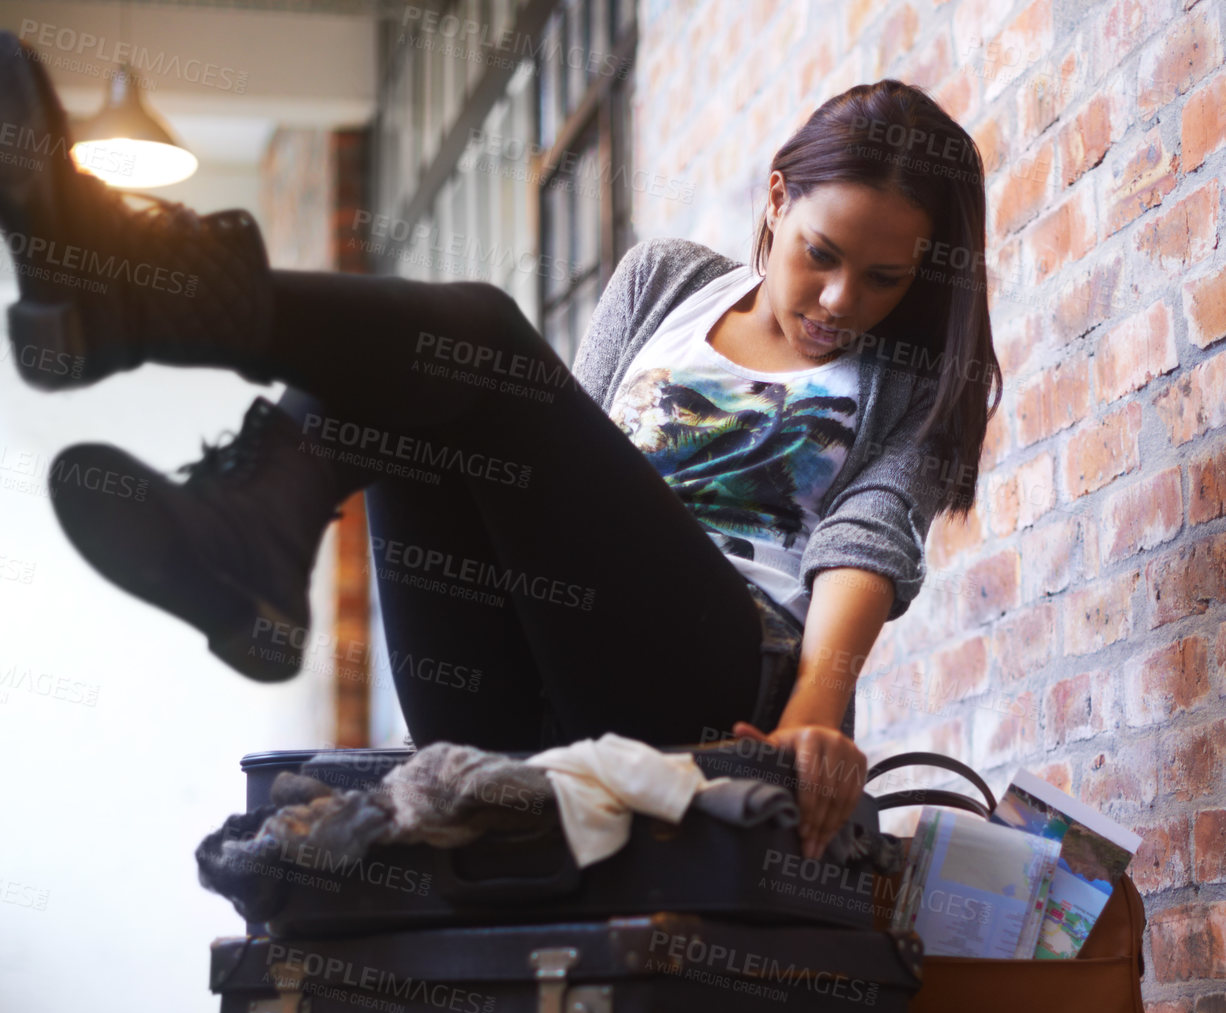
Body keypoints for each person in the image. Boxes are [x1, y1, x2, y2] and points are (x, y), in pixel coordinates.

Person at [0, 36, 1000, 859]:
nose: (837, 303)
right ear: (776, 199)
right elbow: (560, 448)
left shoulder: (910, 385)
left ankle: (143, 298)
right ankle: (255, 533)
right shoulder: (664, 282)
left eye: (881, 280)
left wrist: (809, 720)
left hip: (702, 698)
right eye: (818, 257)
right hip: (514, 684)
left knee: (475, 335)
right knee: (432, 382)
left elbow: (861, 546)